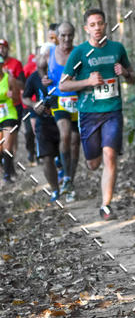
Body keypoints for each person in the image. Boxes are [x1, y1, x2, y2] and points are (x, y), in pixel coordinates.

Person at [60, 8, 135, 219]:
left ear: (105, 25)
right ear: (86, 29)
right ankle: (93, 166)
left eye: (100, 23)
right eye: (92, 25)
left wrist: (126, 73)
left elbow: (133, 78)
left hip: (112, 110)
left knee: (110, 155)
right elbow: (63, 85)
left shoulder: (117, 49)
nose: (97, 28)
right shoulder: (80, 53)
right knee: (93, 164)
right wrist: (88, 82)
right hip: (89, 113)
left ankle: (106, 205)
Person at [22, 46, 62, 201]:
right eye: (39, 55)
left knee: (63, 152)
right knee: (47, 157)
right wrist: (34, 105)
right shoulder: (32, 78)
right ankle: (55, 190)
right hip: (42, 123)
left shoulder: (57, 74)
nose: (42, 58)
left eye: (46, 55)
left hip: (60, 119)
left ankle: (66, 179)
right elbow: (26, 97)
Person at [47, 21, 80, 202]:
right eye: (63, 35)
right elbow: (40, 71)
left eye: (70, 35)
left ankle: (69, 180)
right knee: (65, 135)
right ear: (57, 37)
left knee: (75, 143)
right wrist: (45, 81)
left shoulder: (79, 53)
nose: (66, 39)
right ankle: (65, 173)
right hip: (59, 100)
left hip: (77, 100)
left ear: (74, 36)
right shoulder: (49, 53)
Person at [0, 39, 25, 175]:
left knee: (11, 142)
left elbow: (23, 85)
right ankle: (7, 169)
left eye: (3, 47)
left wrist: (12, 79)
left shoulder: (15, 64)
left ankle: (9, 171)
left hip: (13, 109)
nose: (1, 50)